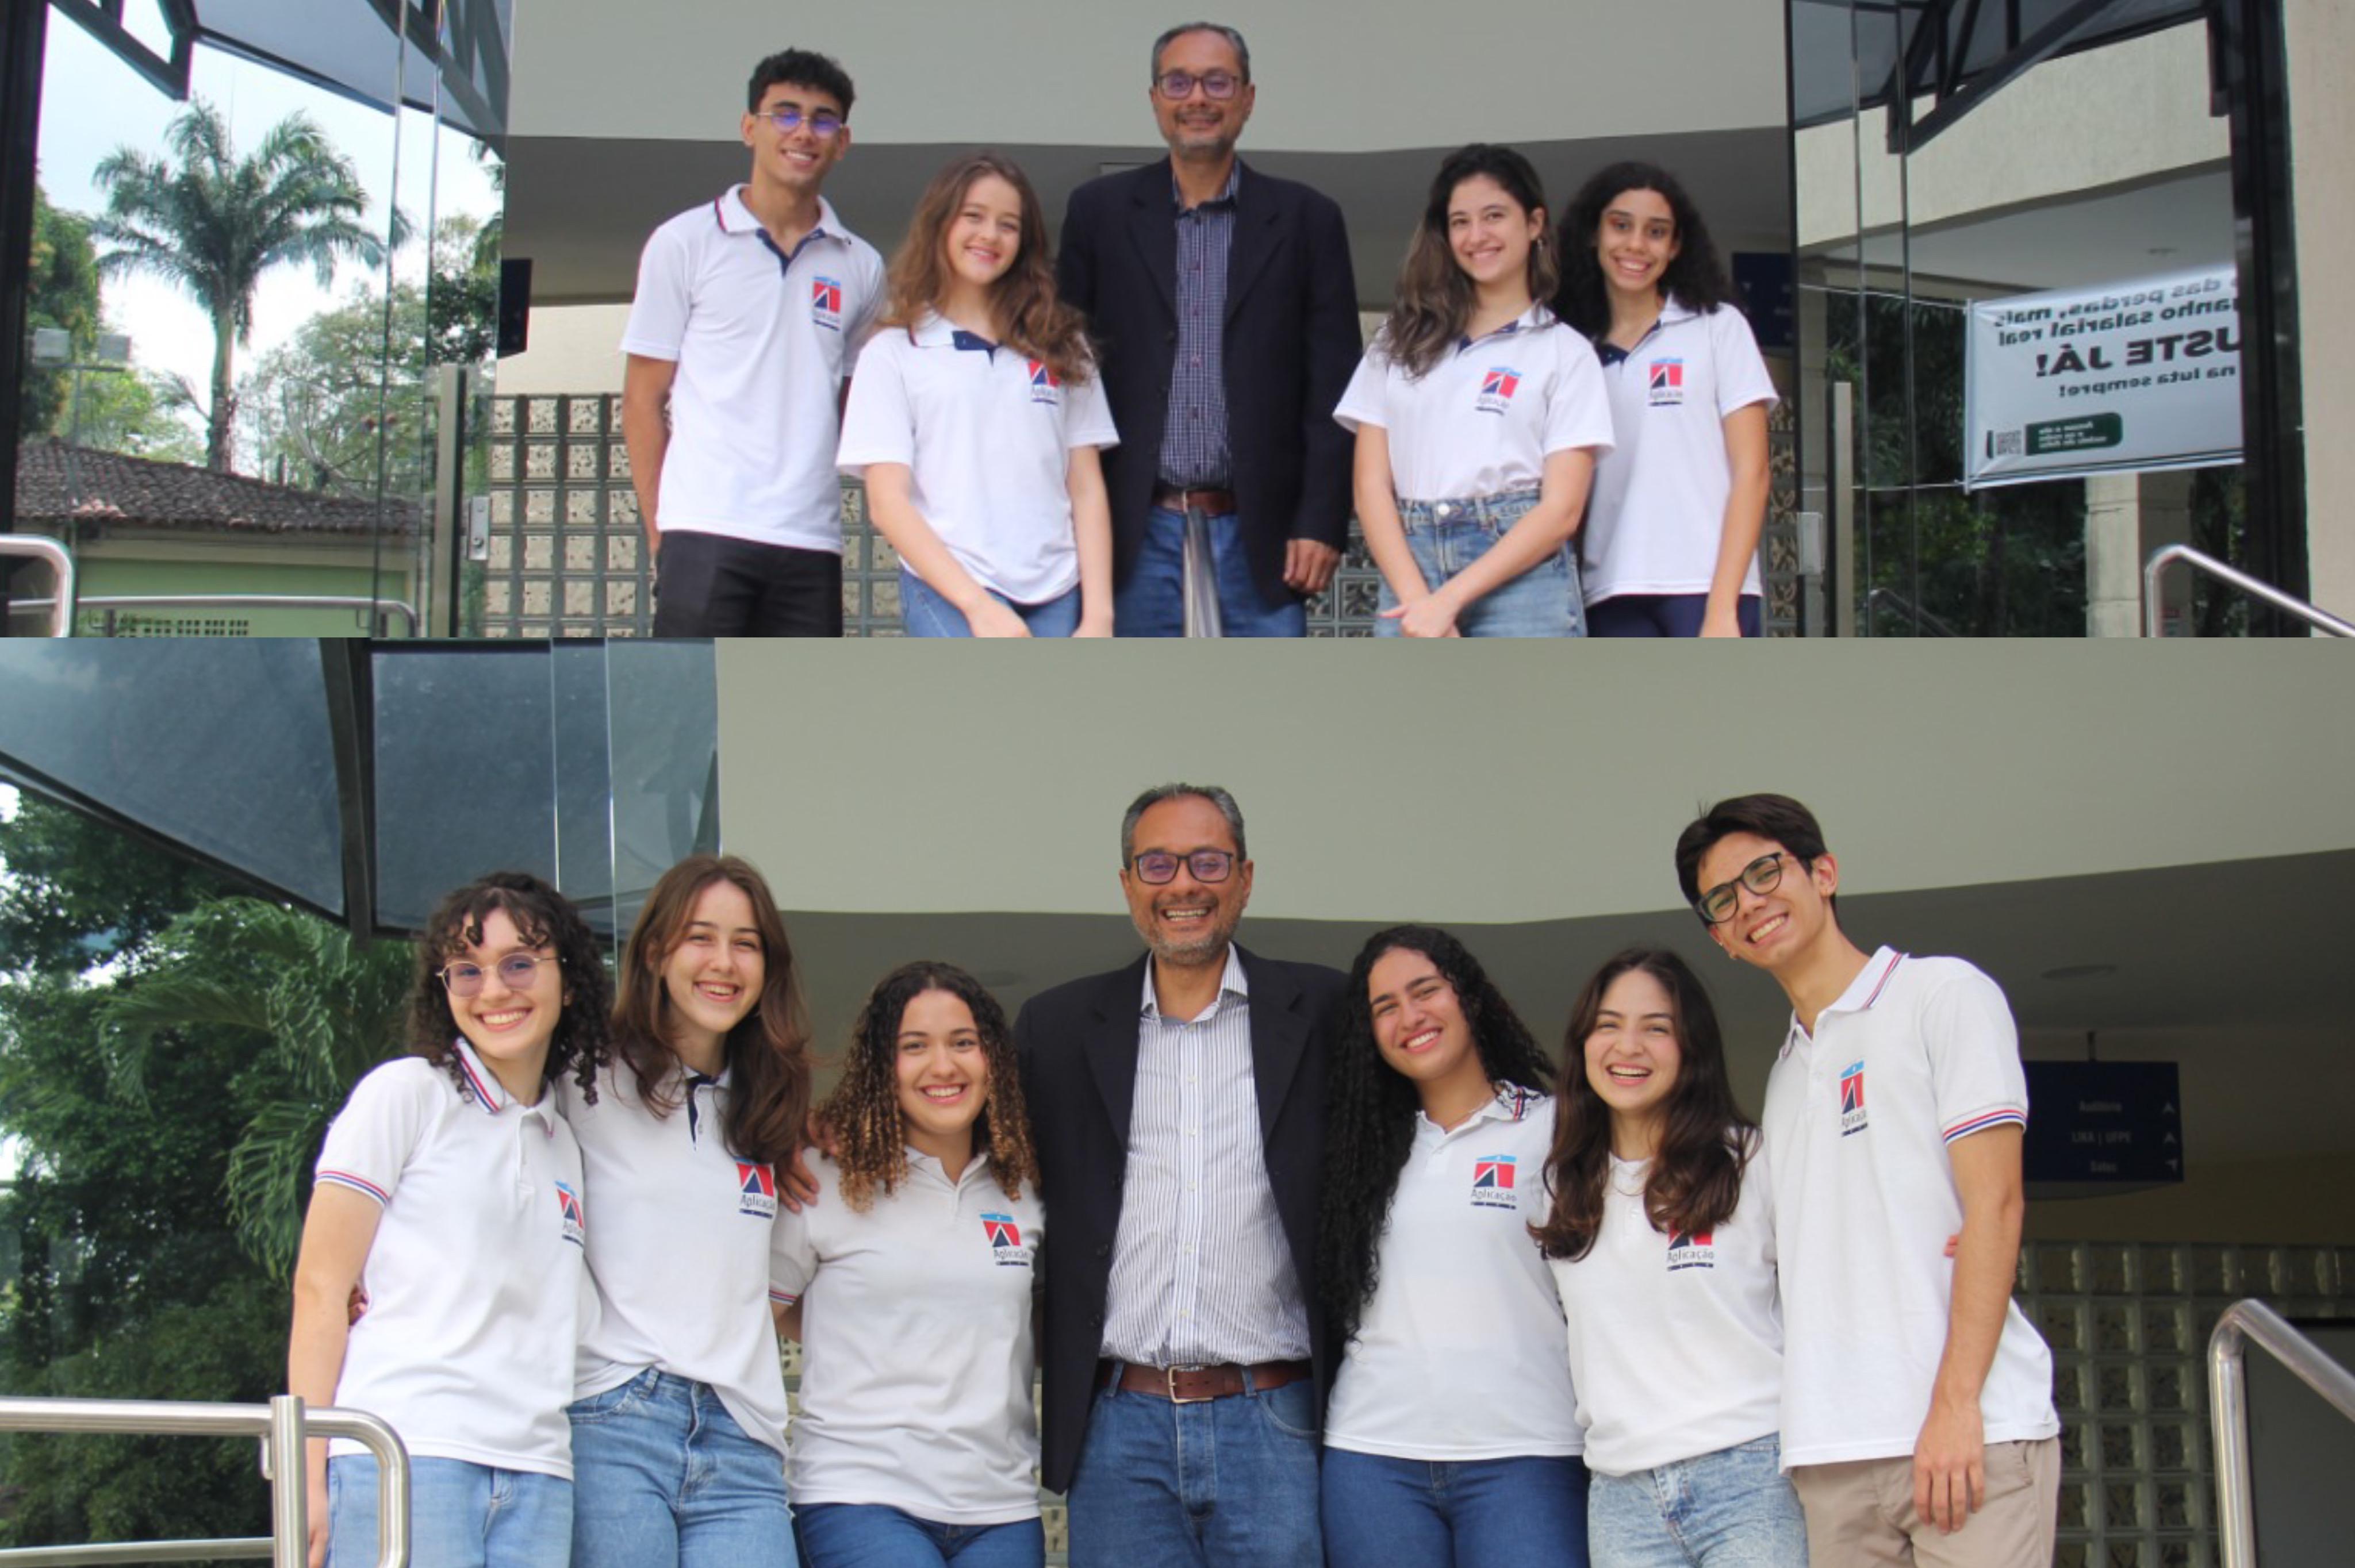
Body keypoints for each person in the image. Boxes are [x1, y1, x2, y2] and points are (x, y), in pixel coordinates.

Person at [1674, 794, 2060, 1563]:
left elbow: (1998, 1205)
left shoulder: (1941, 995)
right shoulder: (1784, 1076)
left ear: (1824, 872)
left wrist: (1955, 1408)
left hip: (1968, 1432)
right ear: (1721, 939)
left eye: (1764, 872)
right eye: (1724, 899)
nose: (1750, 904)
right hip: (1831, 1457)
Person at [1013, 783, 1347, 1566]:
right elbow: (984, 1156)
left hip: (1277, 1418)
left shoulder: (1329, 1011)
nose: (1184, 885)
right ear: (1127, 883)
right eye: (1158, 865)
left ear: (1246, 876)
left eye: (1207, 861)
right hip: (1118, 1427)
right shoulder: (1056, 1030)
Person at [288, 872, 613, 1568]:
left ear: (571, 980)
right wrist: (304, 1477)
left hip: (539, 1474)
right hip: (406, 1454)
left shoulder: (567, 1141)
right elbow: (321, 1287)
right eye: (467, 971)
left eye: (519, 962)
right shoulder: (405, 1093)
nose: (494, 990)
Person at [1056, 22, 1360, 637]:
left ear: (1247, 98)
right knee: (1133, 718)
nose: (1197, 97)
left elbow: (1333, 389)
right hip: (1130, 528)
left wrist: (1321, 519)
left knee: (1266, 719)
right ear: (1154, 100)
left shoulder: (1308, 220)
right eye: (1179, 81)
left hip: (1264, 531)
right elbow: (1063, 370)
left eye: (1217, 81)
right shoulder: (1099, 214)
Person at [561, 856, 813, 1568]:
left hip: (743, 1436)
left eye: (747, 942)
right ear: (654, 951)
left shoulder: (769, 1105)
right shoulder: (582, 1075)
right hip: (615, 1421)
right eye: (700, 937)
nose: (724, 963)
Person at [1315, 926, 1586, 1565]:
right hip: (1373, 1458)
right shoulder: (1359, 1151)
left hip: (1526, 1455)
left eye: (1424, 991)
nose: (1409, 1017)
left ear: (1467, 996)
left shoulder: (1556, 1130)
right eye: (1384, 1008)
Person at [1536, 947, 1806, 1567]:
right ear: (1582, 1044)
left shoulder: (1749, 1163)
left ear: (1691, 1048)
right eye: (1608, 1025)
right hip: (1620, 1492)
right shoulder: (1562, 1184)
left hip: (1748, 1476)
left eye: (1656, 1028)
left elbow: (1833, 1280)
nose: (1627, 1046)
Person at [775, 962, 1046, 1568]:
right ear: (879, 1067)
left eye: (963, 1043)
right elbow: (764, 1310)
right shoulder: (823, 1180)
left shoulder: (1023, 1188)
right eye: (913, 1047)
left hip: (999, 1507)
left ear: (993, 1059)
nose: (943, 1067)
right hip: (859, 1495)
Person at [621, 48, 884, 636]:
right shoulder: (683, 242)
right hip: (703, 529)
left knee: (793, 725)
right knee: (694, 720)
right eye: (784, 114)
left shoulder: (861, 264)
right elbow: (642, 399)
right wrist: (660, 530)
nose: (803, 132)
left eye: (822, 119)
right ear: (749, 129)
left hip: (810, 539)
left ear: (842, 141)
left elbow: (854, 406)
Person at [1334, 145, 1613, 637]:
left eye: (1494, 216)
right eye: (1460, 221)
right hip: (1410, 569)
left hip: (1522, 580)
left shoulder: (1564, 353)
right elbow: (1370, 486)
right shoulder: (1397, 341)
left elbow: (1561, 511)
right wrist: (1420, 601)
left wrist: (1450, 601)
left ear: (1533, 224)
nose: (1476, 236)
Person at [838, 152, 1118, 637]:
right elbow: (887, 503)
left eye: (1008, 225)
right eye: (973, 216)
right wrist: (977, 606)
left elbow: (1087, 487)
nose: (989, 235)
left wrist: (1099, 614)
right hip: (950, 587)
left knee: (1056, 716)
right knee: (982, 713)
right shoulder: (893, 352)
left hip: (1057, 589)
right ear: (940, 223)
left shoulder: (1063, 345)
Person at [1551, 163, 1776, 638]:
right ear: (1594, 235)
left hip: (1705, 586)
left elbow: (1753, 473)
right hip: (1607, 590)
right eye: (1621, 226)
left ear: (1675, 247)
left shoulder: (1718, 327)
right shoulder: (1573, 351)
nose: (1636, 245)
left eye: (1656, 232)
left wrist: (1722, 609)